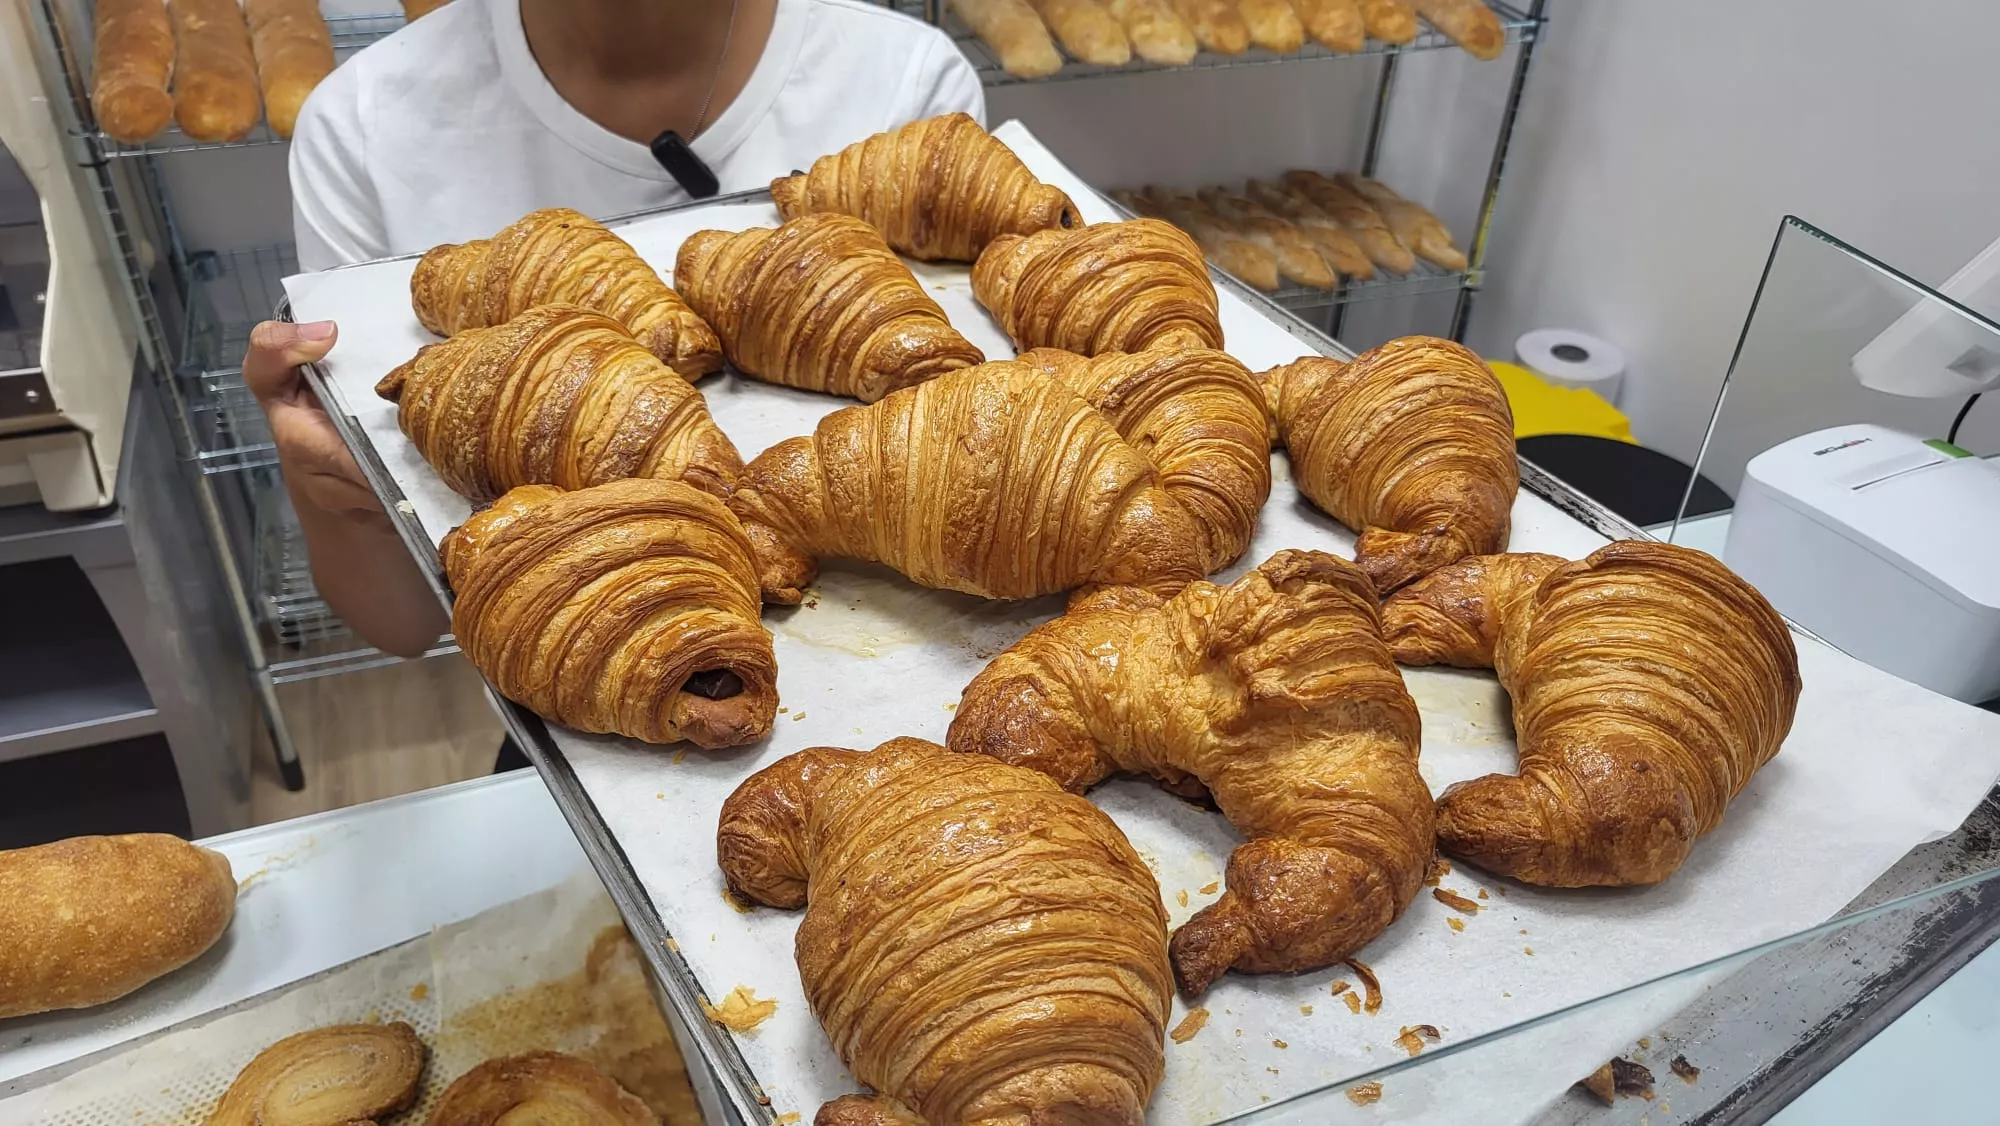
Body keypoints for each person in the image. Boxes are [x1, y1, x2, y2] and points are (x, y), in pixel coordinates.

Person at [245, 0, 982, 660]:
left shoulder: (906, 81)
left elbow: (977, 470)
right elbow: (402, 628)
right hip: (578, 705)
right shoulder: (364, 128)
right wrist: (331, 490)